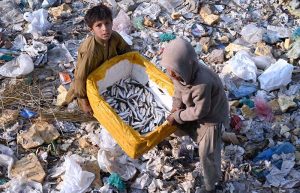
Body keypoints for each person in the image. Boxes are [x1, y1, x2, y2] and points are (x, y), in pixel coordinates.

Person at [161, 38, 229, 193]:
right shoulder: (181, 73)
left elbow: (200, 112)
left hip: (211, 118)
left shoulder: (201, 83)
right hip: (196, 110)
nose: (170, 74)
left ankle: (211, 185)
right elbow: (178, 90)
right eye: (169, 69)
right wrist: (175, 108)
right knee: (177, 123)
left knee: (207, 155)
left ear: (185, 66)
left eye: (174, 71)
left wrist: (177, 115)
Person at [63, 4, 131, 115]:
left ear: (112, 23)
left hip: (107, 77)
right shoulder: (91, 50)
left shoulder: (114, 37)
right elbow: (80, 77)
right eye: (99, 25)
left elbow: (127, 51)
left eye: (107, 23)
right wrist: (85, 103)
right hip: (88, 85)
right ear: (91, 29)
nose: (105, 29)